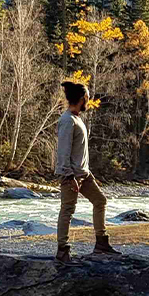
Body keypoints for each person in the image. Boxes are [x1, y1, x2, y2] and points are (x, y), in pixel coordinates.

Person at [54, 80, 119, 263]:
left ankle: (101, 243)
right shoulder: (67, 120)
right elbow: (63, 151)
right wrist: (69, 176)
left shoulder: (77, 119)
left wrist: (85, 171)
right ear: (82, 98)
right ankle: (62, 251)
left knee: (100, 201)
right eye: (88, 98)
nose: (89, 101)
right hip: (71, 175)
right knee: (67, 210)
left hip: (84, 174)